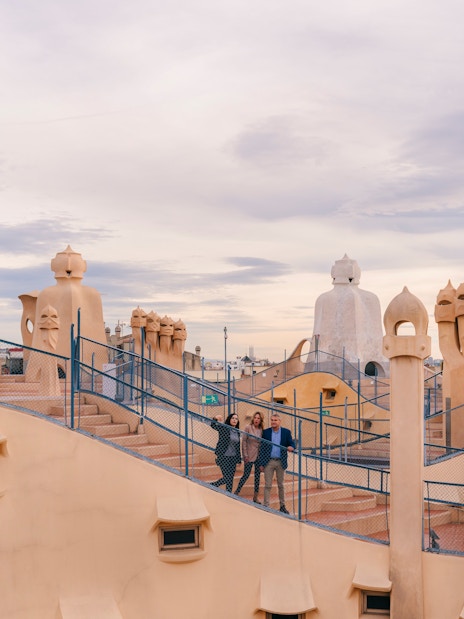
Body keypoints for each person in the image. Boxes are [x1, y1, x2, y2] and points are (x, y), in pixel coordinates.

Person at [259, 413, 295, 514]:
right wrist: (261, 463)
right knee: (268, 485)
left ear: (280, 421)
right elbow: (262, 448)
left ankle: (282, 506)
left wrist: (292, 447)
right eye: (272, 420)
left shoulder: (286, 432)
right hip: (268, 462)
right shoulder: (266, 432)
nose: (273, 422)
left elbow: (291, 443)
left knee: (281, 485)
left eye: (275, 420)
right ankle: (266, 505)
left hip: (280, 462)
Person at [234, 411, 264, 503]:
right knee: (246, 475)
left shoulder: (262, 430)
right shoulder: (248, 427)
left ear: (261, 420)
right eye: (255, 418)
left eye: (258, 418)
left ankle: (255, 497)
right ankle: (236, 492)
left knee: (257, 477)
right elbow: (244, 442)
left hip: (258, 456)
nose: (256, 420)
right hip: (249, 456)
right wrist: (245, 455)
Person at [210, 413, 241, 492]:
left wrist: (239, 460)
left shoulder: (237, 432)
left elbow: (238, 447)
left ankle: (228, 494)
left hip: (233, 458)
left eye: (236, 419)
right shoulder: (224, 428)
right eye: (233, 418)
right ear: (229, 419)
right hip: (224, 457)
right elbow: (213, 425)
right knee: (227, 477)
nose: (234, 420)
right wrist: (215, 417)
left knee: (230, 478)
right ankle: (214, 485)